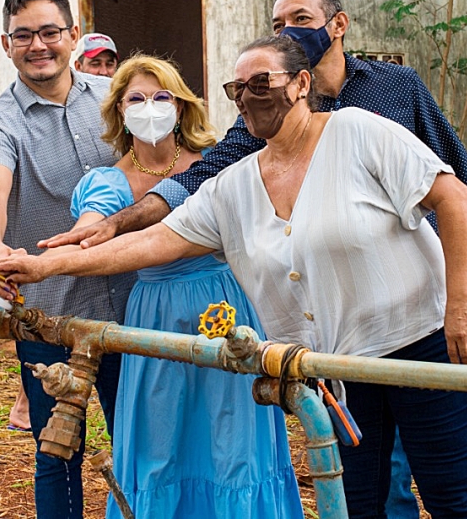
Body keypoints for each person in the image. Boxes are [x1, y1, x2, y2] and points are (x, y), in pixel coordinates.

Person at [44, 0, 467, 519]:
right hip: (342, 363)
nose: (250, 95)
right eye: (239, 89)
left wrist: (466, 297)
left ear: (301, 82)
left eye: (262, 81)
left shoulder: (372, 115)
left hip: (422, 338)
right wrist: (49, 263)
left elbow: (456, 189)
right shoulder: (238, 176)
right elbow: (161, 234)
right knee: (362, 501)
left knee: (460, 492)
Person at [57, 54, 302, 518]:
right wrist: (51, 256)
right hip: (158, 317)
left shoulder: (219, 163)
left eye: (161, 96)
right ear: (119, 111)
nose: (150, 107)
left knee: (236, 440)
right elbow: (93, 227)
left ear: (182, 105)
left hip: (227, 305)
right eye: (137, 98)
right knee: (159, 441)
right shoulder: (109, 180)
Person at [0, 0, 134, 519]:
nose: (38, 45)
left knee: (145, 447)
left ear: (73, 35)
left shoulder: (117, 99)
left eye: (49, 32)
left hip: (137, 308)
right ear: (6, 43)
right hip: (51, 317)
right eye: (23, 36)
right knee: (57, 454)